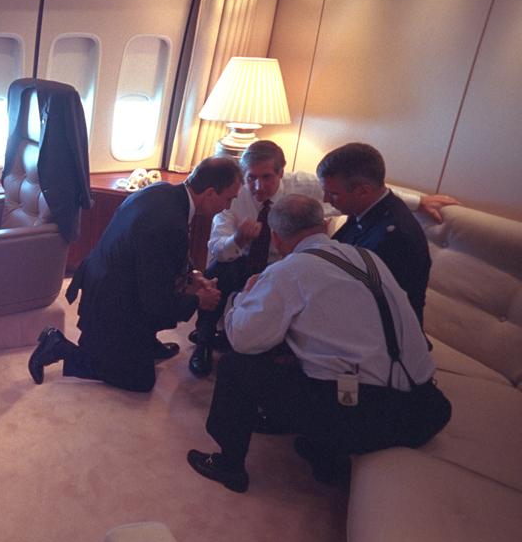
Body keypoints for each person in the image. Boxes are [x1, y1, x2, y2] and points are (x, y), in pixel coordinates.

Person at [187, 195, 451, 493]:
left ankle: (229, 465)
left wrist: (242, 297)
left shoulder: (289, 271)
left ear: (275, 237)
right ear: (324, 225)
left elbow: (243, 339)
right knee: (304, 352)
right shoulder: (368, 258)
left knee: (237, 365)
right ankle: (321, 450)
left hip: (373, 416)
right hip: (426, 405)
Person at [189, 140, 456, 377]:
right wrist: (238, 239)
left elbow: (372, 193)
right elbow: (217, 247)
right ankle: (203, 341)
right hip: (250, 262)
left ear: (282, 173)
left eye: (267, 177)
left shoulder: (385, 229)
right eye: (251, 178)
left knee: (250, 344)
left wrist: (419, 201)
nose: (258, 186)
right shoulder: (235, 196)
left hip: (294, 269)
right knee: (219, 269)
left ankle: (257, 349)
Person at [27, 156, 243, 393]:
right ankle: (56, 345)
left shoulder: (163, 192)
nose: (228, 206)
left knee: (166, 289)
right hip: (110, 301)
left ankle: (146, 343)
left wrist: (193, 274)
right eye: (228, 198)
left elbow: (164, 259)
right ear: (211, 193)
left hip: (108, 279)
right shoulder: (169, 224)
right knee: (139, 380)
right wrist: (198, 299)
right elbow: (155, 302)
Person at [317, 142, 456, 326]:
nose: (326, 200)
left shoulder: (395, 238)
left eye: (333, 194)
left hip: (386, 336)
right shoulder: (365, 210)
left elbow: (364, 303)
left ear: (363, 191)